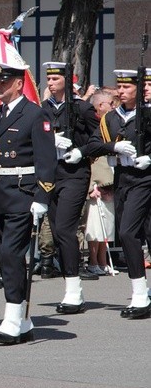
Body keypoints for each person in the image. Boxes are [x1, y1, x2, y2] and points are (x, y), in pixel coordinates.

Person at [0, 59, 56, 345]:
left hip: (22, 194)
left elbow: (47, 158)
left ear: (19, 84)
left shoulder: (35, 114)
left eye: (4, 82)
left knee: (11, 254)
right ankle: (23, 320)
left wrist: (42, 196)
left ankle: (12, 318)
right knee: (2, 256)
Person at [80, 69, 151, 319]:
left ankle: (140, 296)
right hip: (123, 178)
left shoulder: (148, 114)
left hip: (146, 178)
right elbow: (92, 145)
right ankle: (143, 292)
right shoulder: (110, 118)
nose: (121, 91)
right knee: (139, 232)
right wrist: (113, 147)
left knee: (127, 232)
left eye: (127, 87)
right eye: (119, 87)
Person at [41, 61, 100, 314]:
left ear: (67, 79)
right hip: (51, 175)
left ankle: (73, 291)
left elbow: (100, 137)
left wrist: (81, 151)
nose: (50, 83)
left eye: (55, 79)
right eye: (48, 79)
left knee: (65, 228)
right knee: (56, 232)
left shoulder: (83, 108)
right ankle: (71, 286)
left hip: (75, 173)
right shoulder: (42, 110)